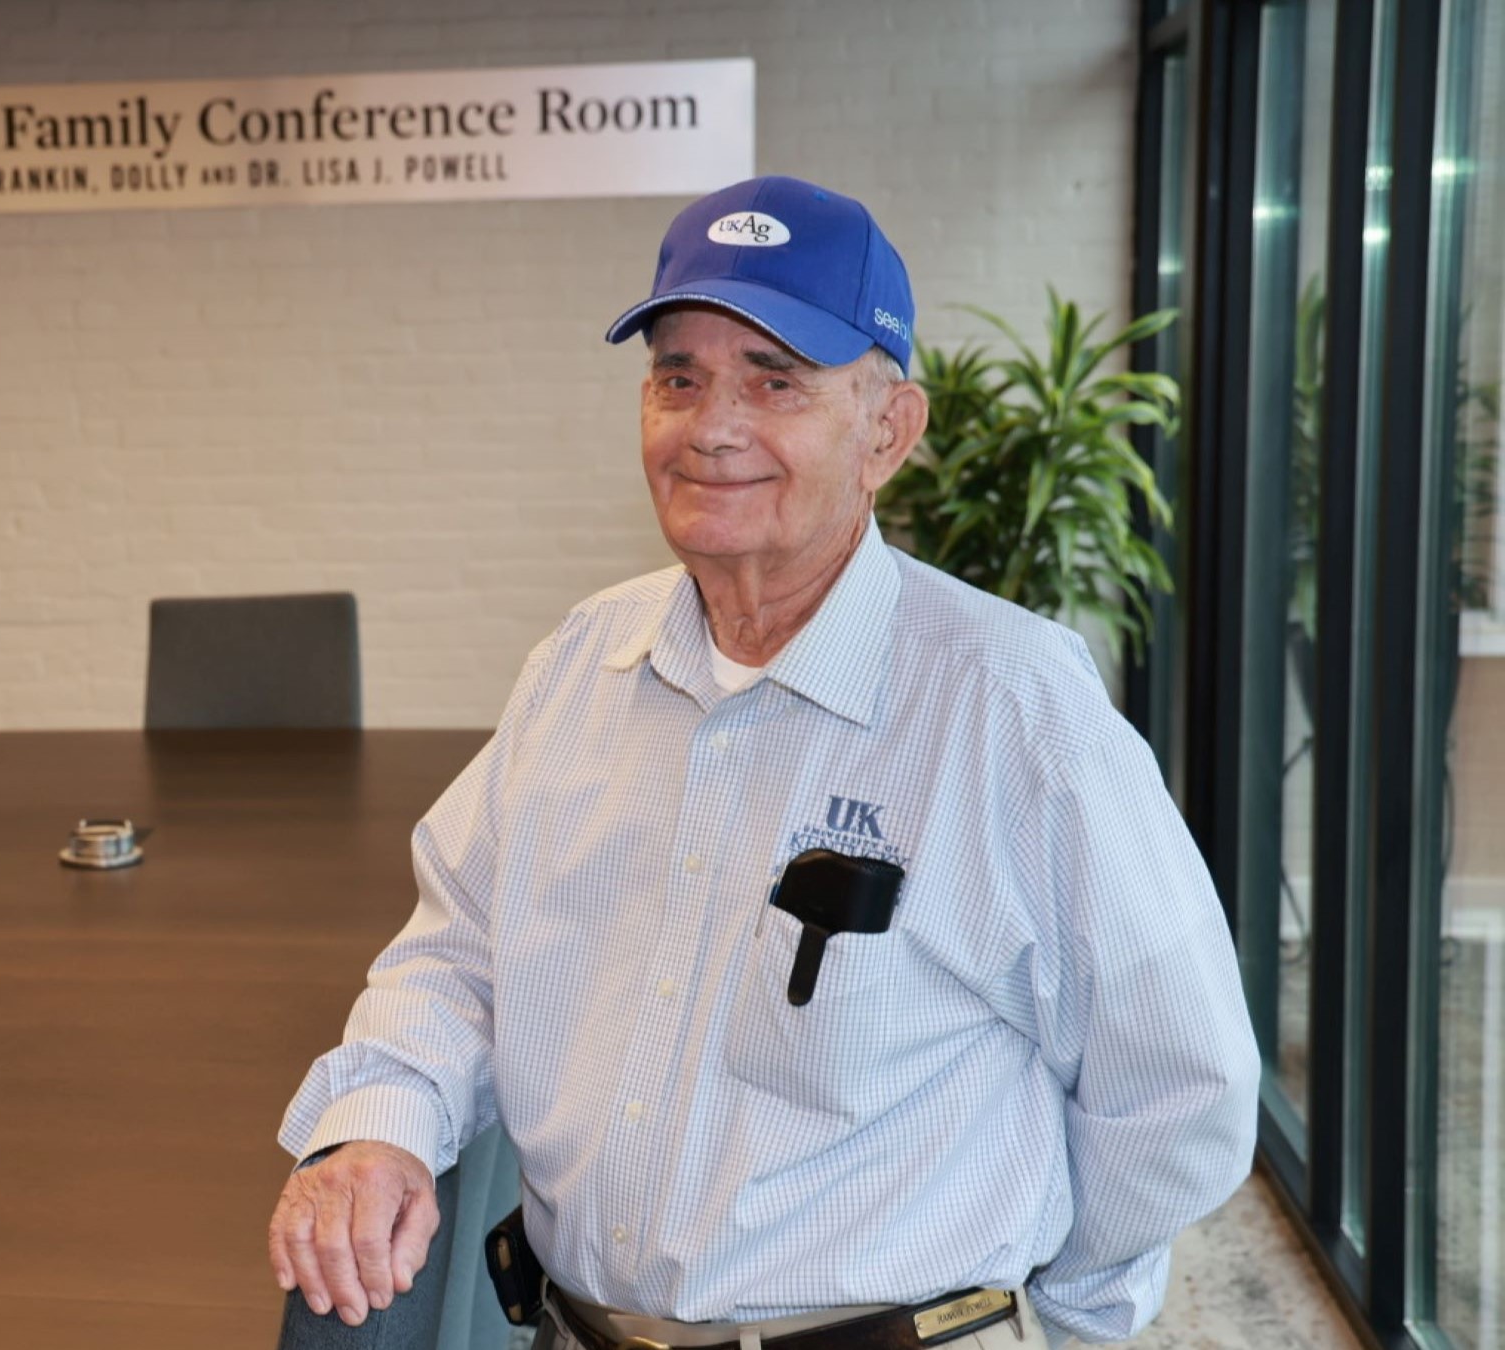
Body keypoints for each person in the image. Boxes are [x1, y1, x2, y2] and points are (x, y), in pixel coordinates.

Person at [266, 175, 1258, 1349]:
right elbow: (458, 954)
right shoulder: (583, 665)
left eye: (775, 380)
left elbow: (1180, 1087)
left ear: (888, 429)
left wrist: (1050, 1316)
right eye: (679, 377)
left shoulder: (1012, 709)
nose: (713, 426)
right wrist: (379, 1123)